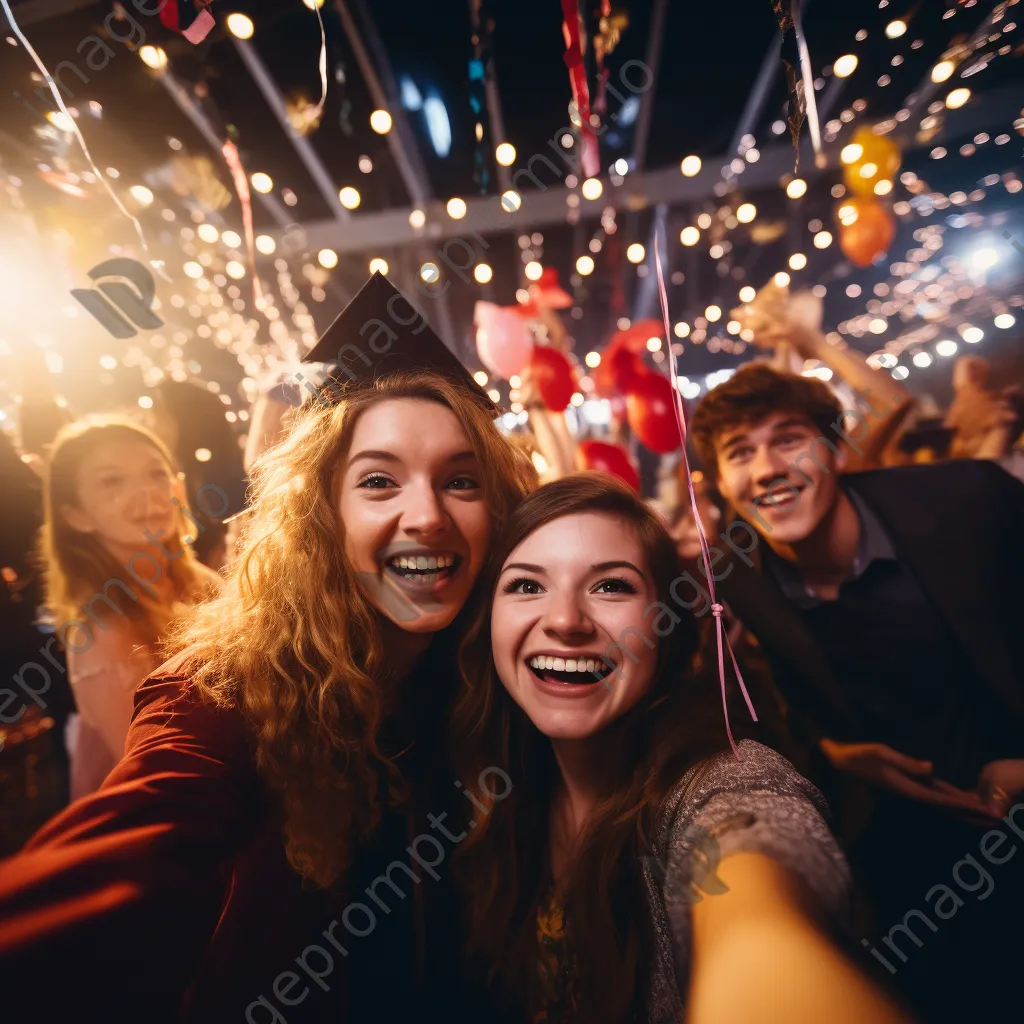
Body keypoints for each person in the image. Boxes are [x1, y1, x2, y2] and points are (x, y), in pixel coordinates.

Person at [0, 274, 536, 1023]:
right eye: (379, 481)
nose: (428, 515)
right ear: (324, 514)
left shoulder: (512, 669)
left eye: (462, 481)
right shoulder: (224, 692)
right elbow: (143, 836)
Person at [452, 473, 906, 1024]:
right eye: (527, 586)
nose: (565, 621)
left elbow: (752, 885)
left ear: (666, 628)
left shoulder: (722, 784)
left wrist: (761, 957)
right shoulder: (495, 785)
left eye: (611, 586)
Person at [690, 361, 1024, 1022]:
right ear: (722, 485)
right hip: (909, 870)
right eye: (739, 453)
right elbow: (767, 723)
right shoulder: (733, 584)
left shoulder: (969, 500)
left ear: (837, 448)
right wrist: (840, 756)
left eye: (790, 440)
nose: (767, 470)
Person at [39, 416, 220, 799]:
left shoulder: (195, 579)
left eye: (157, 474)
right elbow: (158, 775)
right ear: (75, 515)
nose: (148, 495)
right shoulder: (101, 632)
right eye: (111, 482)